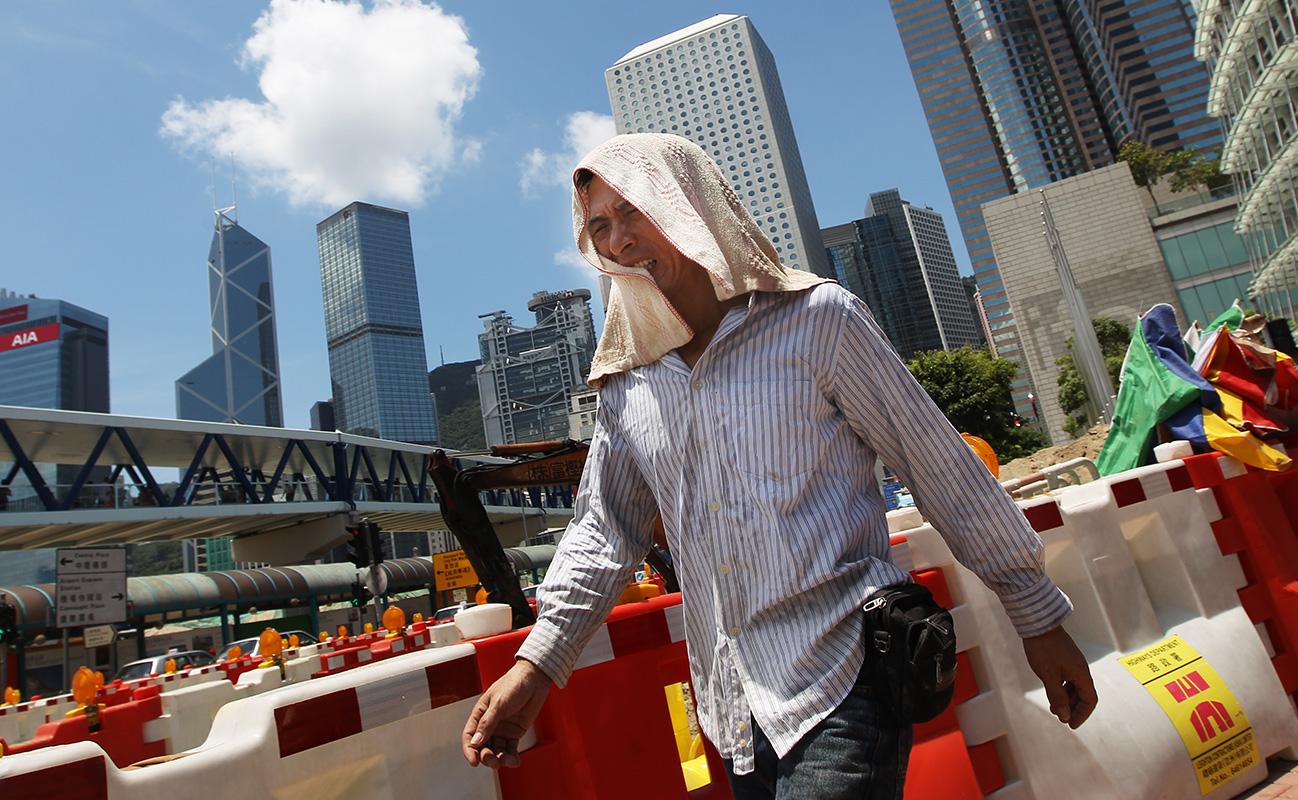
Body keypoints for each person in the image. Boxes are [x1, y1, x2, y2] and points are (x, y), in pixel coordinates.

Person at [462, 133, 1096, 798]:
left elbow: (941, 469)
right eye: (599, 227)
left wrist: (1037, 616)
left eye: (633, 211)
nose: (618, 240)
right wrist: (536, 666)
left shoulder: (819, 321)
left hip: (846, 674)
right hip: (735, 712)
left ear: (688, 203)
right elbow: (605, 531)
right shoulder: (628, 385)